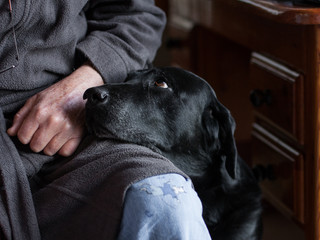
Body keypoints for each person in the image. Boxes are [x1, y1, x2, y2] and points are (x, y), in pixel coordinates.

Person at [0, 0, 211, 239]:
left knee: (167, 204)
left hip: (79, 122)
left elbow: (138, 15)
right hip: (10, 147)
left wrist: (85, 83)